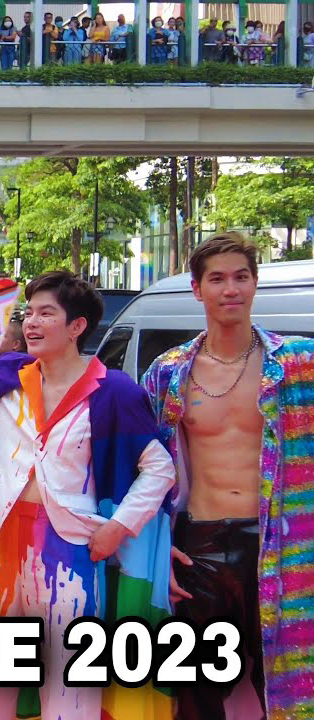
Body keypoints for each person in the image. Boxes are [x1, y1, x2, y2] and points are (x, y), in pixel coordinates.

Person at [0, 262, 175, 720]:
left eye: (46, 313)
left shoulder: (115, 392)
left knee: (69, 685)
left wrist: (119, 528)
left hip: (72, 548)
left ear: (77, 326)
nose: (32, 323)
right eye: (29, 313)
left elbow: (160, 469)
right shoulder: (2, 376)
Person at [142, 233, 314, 720]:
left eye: (241, 277)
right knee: (195, 689)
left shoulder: (298, 365)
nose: (231, 289)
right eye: (217, 279)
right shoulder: (169, 372)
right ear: (198, 289)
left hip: (285, 543)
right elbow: (146, 467)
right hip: (199, 544)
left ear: (255, 284)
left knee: (292, 682)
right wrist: (157, 544)